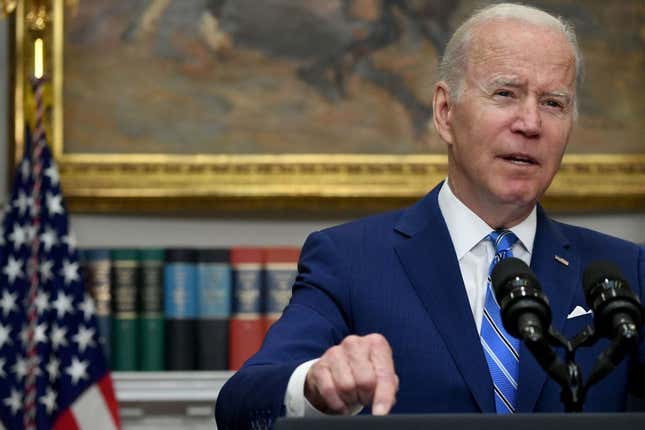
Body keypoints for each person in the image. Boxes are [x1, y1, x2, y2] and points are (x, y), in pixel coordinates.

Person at [215, 3, 645, 429]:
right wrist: (313, 384)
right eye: (505, 94)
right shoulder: (351, 260)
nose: (530, 123)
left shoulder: (623, 271)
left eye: (553, 103)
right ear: (445, 112)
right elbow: (242, 403)